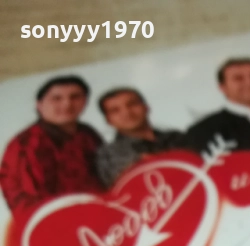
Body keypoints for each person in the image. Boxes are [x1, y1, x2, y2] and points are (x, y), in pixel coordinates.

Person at [0, 75, 103, 215]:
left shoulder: (88, 133)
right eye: (56, 98)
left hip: (96, 213)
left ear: (85, 101)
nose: (67, 104)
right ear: (39, 105)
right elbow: (27, 200)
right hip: (54, 219)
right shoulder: (27, 143)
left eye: (75, 97)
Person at [95, 87, 185, 187]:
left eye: (132, 104)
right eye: (115, 110)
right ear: (108, 120)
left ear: (146, 107)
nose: (127, 113)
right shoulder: (108, 154)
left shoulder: (177, 138)